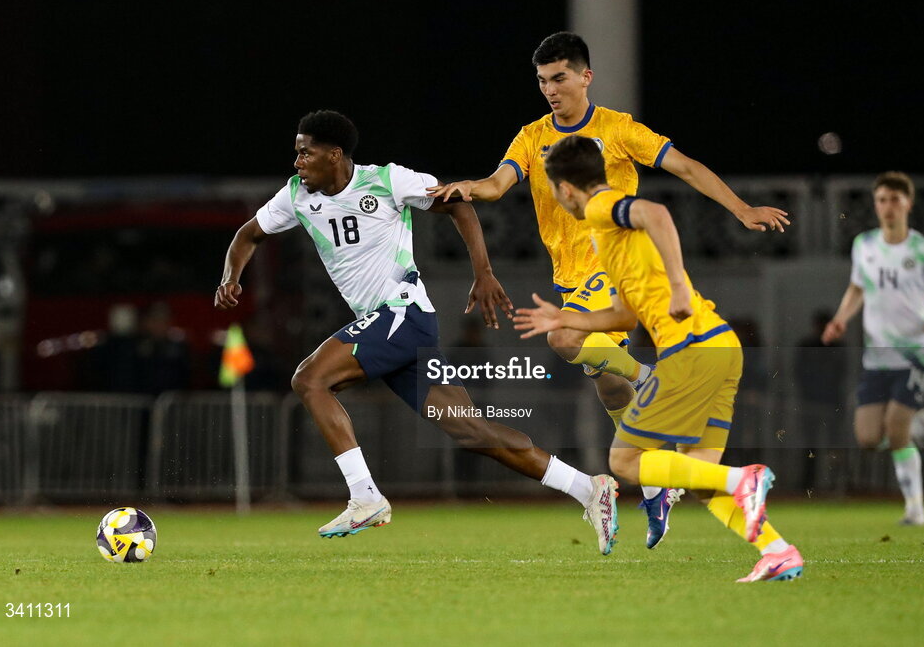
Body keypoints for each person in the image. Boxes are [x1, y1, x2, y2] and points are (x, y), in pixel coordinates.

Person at [428, 31, 789, 547]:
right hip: (571, 278)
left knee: (563, 339)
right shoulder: (531, 136)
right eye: (542, 81)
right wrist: (463, 188)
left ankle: (649, 382)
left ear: (584, 76)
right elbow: (495, 184)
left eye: (559, 78)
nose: (550, 89)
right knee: (606, 384)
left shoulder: (618, 130)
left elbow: (683, 166)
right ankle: (674, 491)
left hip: (611, 270)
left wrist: (742, 209)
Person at [215, 110, 620, 554]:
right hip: (389, 327)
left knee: (310, 379)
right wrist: (230, 276)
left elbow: (457, 204)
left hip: (401, 313)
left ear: (334, 155)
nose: (297, 162)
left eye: (304, 153)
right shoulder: (295, 195)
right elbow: (247, 235)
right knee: (473, 432)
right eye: (296, 153)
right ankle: (588, 488)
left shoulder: (388, 181)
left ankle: (365, 497)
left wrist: (482, 272)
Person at [513, 135, 803, 582]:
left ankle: (741, 480)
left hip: (689, 353)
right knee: (698, 475)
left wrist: (680, 285)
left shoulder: (599, 208)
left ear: (566, 189)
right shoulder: (608, 238)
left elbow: (658, 213)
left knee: (624, 462)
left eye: (552, 189)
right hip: (721, 347)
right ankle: (778, 550)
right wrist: (564, 318)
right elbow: (625, 313)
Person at [822, 171, 924, 526]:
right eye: (882, 200)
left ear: (908, 204)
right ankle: (920, 427)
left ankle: (915, 508)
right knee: (868, 437)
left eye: (895, 200)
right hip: (877, 356)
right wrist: (841, 318)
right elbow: (858, 288)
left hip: (917, 352)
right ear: (876, 205)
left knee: (895, 427)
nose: (888, 207)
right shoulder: (865, 245)